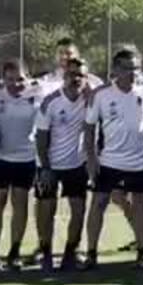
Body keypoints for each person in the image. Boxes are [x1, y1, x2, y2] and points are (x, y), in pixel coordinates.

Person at [83, 48, 143, 270]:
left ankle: (142, 251)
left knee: (139, 206)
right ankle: (91, 253)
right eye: (127, 68)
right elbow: (89, 129)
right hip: (108, 162)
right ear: (116, 70)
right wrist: (91, 161)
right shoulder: (101, 94)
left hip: (140, 162)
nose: (132, 73)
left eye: (136, 68)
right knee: (98, 204)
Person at [0, 59, 40, 272]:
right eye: (10, 79)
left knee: (20, 203)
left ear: (28, 77)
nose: (15, 84)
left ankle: (14, 252)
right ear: (2, 78)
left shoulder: (39, 92)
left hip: (26, 158)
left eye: (20, 79)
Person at [33, 58, 92, 271]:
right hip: (50, 164)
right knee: (47, 211)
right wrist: (46, 168)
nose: (76, 79)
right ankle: (46, 252)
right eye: (72, 74)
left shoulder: (90, 100)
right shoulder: (51, 102)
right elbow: (41, 138)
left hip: (77, 165)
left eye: (81, 75)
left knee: (78, 210)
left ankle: (70, 253)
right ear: (64, 76)